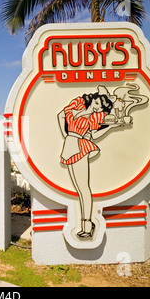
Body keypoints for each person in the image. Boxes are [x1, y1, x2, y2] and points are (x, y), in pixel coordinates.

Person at [58, 92, 124, 238]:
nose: (97, 108)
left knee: (83, 188)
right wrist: (66, 134)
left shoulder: (94, 117)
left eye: (101, 108)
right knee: (78, 188)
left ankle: (87, 225)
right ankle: (86, 224)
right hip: (70, 145)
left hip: (81, 147)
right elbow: (61, 115)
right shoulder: (77, 107)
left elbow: (94, 135)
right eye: (97, 104)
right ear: (93, 99)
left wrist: (111, 127)